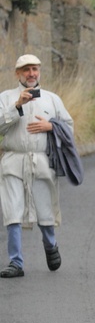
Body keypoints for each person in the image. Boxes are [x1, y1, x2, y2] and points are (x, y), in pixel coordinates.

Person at [0, 55, 75, 278]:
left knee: (45, 208)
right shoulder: (6, 98)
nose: (31, 74)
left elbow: (68, 127)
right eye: (26, 70)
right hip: (13, 160)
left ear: (39, 71)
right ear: (18, 74)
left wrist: (51, 125)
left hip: (42, 161)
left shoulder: (52, 99)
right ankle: (16, 262)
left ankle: (50, 245)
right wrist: (17, 106)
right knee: (12, 210)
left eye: (34, 69)